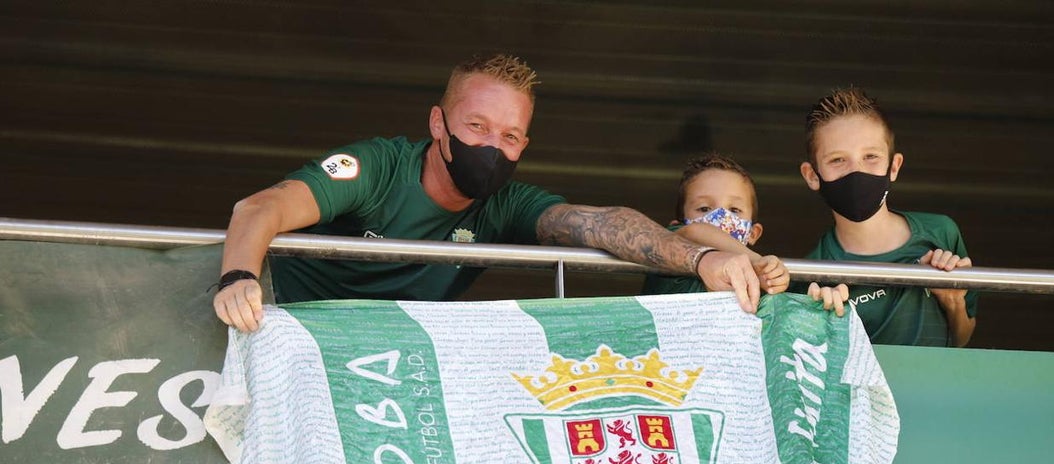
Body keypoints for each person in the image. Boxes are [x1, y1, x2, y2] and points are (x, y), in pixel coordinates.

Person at [212, 53, 776, 332]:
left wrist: (702, 259)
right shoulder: (378, 166)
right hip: (272, 323)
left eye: (508, 136)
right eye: (476, 127)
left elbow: (602, 223)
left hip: (378, 359)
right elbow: (259, 207)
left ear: (523, 144)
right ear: (438, 124)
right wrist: (237, 278)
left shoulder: (506, 204)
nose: (492, 147)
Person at [800, 86, 977, 347]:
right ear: (812, 176)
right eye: (838, 160)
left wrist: (953, 301)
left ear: (893, 166)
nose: (856, 171)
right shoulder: (809, 274)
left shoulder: (941, 233)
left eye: (870, 156)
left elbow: (962, 341)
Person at [642, 153, 790, 297]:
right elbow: (695, 232)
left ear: (753, 233)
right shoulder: (668, 257)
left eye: (734, 210)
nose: (721, 217)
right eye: (704, 209)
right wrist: (757, 261)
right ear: (678, 226)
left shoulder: (762, 283)